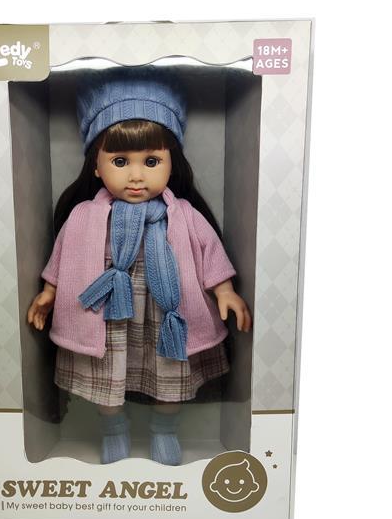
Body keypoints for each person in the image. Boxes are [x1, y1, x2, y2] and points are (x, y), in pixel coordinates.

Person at [27, 67, 251, 465]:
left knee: (170, 374)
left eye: (151, 161)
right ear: (96, 166)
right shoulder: (84, 215)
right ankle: (113, 429)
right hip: (106, 316)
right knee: (106, 379)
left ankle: (165, 430)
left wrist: (225, 290)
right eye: (119, 160)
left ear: (171, 163)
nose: (135, 176)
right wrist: (49, 292)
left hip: (165, 314)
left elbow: (209, 251)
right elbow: (65, 255)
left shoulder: (184, 215)